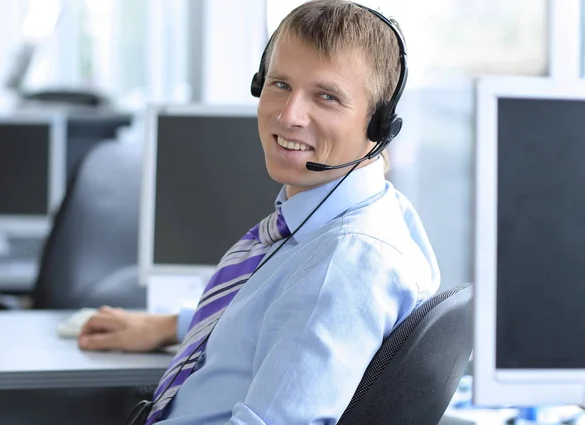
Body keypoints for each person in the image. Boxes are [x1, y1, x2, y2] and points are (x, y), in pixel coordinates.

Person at [79, 1, 440, 424]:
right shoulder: (367, 211)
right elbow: (281, 321)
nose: (288, 115)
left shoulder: (343, 264)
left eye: (327, 97)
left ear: (378, 127)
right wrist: (170, 326)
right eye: (280, 84)